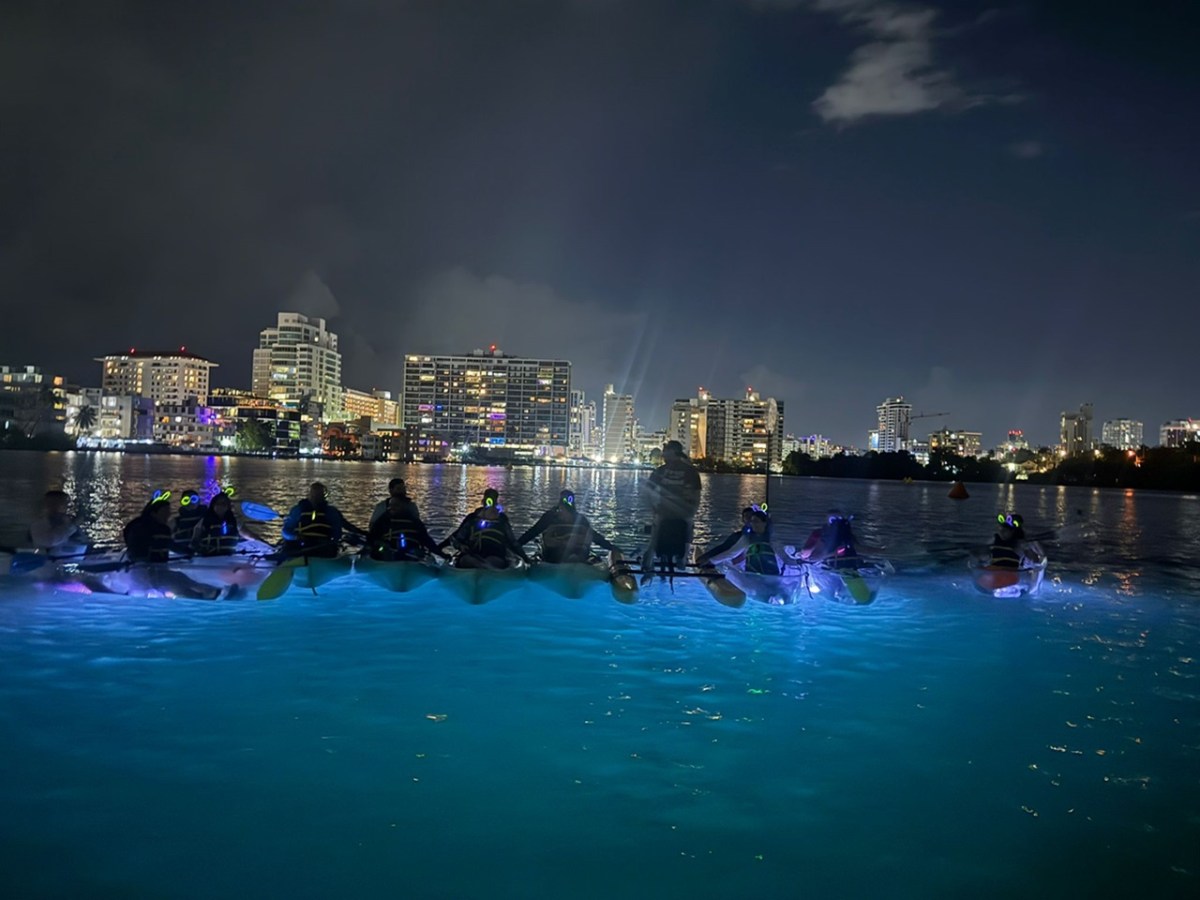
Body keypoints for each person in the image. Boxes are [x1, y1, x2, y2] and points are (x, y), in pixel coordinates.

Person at [120, 490, 222, 599]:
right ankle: (207, 593)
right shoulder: (141, 528)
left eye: (168, 511)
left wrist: (190, 552)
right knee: (179, 579)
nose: (168, 515)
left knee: (180, 582)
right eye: (165, 512)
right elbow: (137, 551)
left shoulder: (161, 529)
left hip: (158, 572)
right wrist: (146, 565)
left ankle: (204, 595)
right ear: (154, 513)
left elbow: (170, 545)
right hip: (147, 573)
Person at [640, 440, 701, 582]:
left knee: (662, 531)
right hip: (672, 510)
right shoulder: (687, 471)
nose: (664, 454)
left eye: (666, 451)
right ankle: (682, 559)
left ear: (673, 452)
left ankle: (650, 561)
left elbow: (695, 494)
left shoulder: (684, 471)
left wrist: (653, 508)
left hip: (675, 511)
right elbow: (696, 495)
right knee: (686, 527)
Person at [517, 489, 621, 564]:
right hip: (555, 553)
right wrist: (516, 545)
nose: (565, 513)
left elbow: (595, 537)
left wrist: (612, 548)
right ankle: (571, 558)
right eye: (564, 510)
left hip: (576, 552)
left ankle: (572, 559)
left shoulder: (580, 520)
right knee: (569, 555)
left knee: (574, 555)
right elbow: (533, 532)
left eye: (568, 510)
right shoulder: (550, 517)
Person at [438, 488, 530, 569]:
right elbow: (457, 537)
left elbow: (512, 542)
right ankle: (484, 566)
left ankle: (484, 566)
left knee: (491, 561)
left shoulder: (501, 520)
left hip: (495, 555)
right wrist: (460, 546)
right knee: (467, 560)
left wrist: (525, 559)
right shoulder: (473, 518)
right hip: (472, 554)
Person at [281, 482, 364, 558]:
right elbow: (286, 531)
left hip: (321, 547)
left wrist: (330, 541)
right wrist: (296, 537)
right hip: (302, 545)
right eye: (314, 495)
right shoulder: (298, 510)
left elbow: (337, 534)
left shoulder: (331, 512)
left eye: (318, 495)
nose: (316, 498)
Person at [696, 506, 781, 575]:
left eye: (755, 521)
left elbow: (781, 553)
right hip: (753, 573)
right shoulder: (746, 537)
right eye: (751, 521)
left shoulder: (771, 538)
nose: (752, 523)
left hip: (770, 574)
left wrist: (792, 562)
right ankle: (705, 559)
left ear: (764, 523)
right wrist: (711, 561)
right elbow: (729, 551)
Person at [365, 491, 443, 561]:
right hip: (388, 550)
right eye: (390, 505)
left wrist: (441, 554)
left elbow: (426, 540)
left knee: (416, 552)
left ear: (403, 506)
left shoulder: (414, 522)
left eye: (396, 505)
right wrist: (379, 544)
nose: (391, 508)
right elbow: (372, 537)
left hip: (411, 552)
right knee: (382, 551)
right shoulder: (384, 520)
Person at [792, 510, 883, 569]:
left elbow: (859, 549)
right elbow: (809, 556)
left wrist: (881, 551)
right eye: (833, 519)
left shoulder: (846, 535)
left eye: (838, 519)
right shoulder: (819, 534)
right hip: (825, 564)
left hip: (845, 563)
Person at [28, 489, 89, 555]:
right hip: (50, 562)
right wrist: (73, 525)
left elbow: (82, 541)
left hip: (77, 560)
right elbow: (50, 541)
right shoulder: (38, 525)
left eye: (64, 503)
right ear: (45, 505)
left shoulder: (68, 520)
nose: (59, 507)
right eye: (53, 503)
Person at [192, 491, 241, 556]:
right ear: (213, 506)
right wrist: (196, 549)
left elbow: (246, 533)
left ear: (228, 507)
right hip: (209, 556)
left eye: (223, 504)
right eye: (218, 504)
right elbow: (195, 538)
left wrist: (257, 540)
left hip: (228, 556)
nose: (220, 506)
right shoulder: (204, 520)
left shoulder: (234, 521)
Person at [171, 489, 207, 553]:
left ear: (198, 501)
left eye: (194, 499)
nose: (190, 502)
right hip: (181, 554)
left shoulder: (207, 518)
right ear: (182, 503)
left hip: (203, 553)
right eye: (186, 500)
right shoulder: (176, 521)